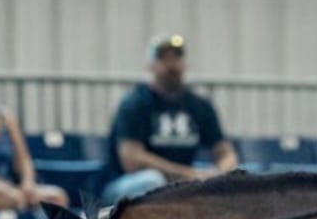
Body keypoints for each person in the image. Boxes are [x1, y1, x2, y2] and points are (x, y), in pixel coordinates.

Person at [98, 34, 239, 205]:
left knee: (240, 179)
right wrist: (188, 174)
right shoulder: (135, 103)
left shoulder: (200, 106)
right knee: (152, 181)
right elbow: (131, 160)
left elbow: (225, 152)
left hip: (179, 186)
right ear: (150, 65)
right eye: (164, 59)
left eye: (176, 58)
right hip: (123, 188)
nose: (171, 65)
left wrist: (220, 174)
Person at [0, 52, 70, 212]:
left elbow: (23, 158)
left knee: (56, 197)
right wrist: (7, 187)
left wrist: (27, 185)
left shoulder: (4, 117)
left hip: (12, 186)